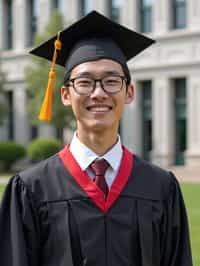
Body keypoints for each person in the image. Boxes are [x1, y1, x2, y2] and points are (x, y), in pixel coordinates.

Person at [0, 11, 193, 266]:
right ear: (66, 95)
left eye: (111, 81)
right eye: (85, 82)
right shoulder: (30, 190)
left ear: (129, 92)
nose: (98, 93)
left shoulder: (161, 187)